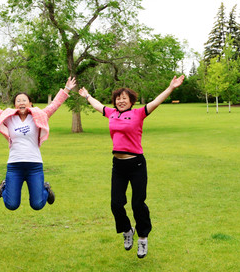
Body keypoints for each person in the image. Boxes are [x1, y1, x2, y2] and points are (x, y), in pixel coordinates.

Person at [79, 76, 184, 259]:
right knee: (116, 203)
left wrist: (170, 88)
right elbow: (97, 106)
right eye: (118, 98)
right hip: (118, 165)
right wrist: (87, 96)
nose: (120, 101)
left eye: (124, 98)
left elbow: (156, 102)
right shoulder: (111, 113)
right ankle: (127, 230)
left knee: (138, 203)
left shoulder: (138, 113)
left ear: (131, 101)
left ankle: (143, 238)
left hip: (136, 163)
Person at [0, 77, 76, 211]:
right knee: (11, 205)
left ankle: (46, 189)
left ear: (30, 103)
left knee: (37, 205)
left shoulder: (39, 116)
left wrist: (66, 89)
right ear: (15, 105)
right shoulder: (9, 118)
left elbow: (54, 105)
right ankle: (4, 187)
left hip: (35, 166)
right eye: (18, 101)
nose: (21, 103)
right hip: (15, 166)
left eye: (24, 100)